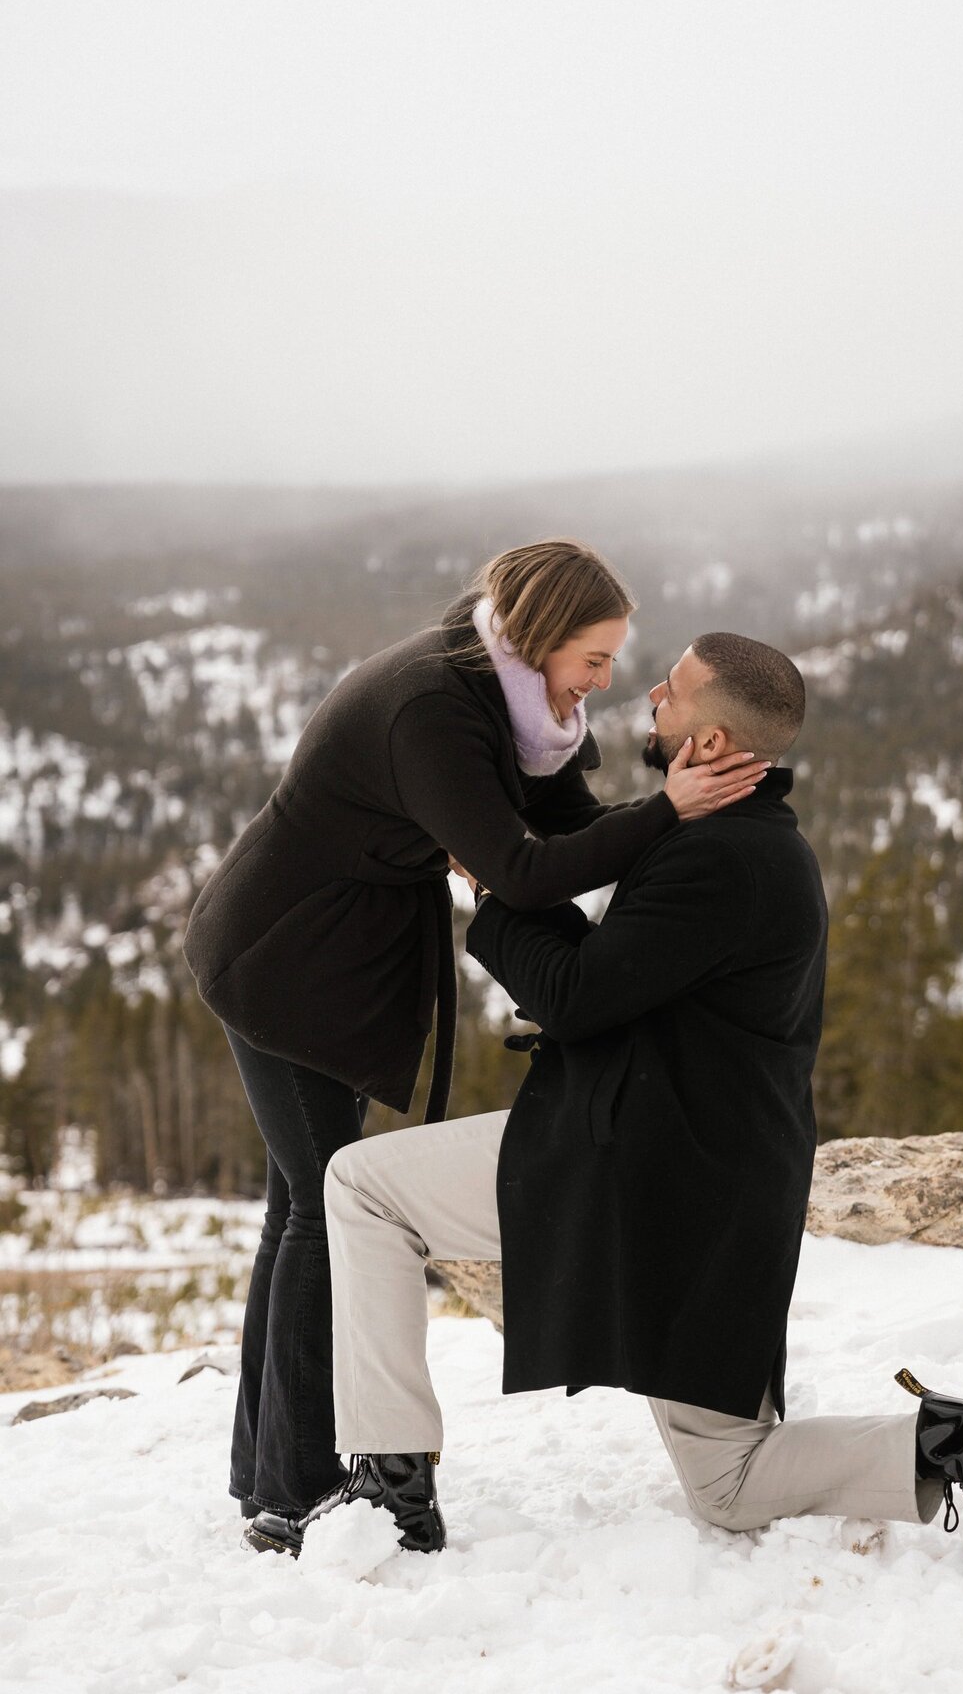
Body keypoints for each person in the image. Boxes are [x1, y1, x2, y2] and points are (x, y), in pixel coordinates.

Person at [299, 630, 963, 1558]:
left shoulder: (722, 864)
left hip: (646, 1169)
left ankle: (391, 1489)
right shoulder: (749, 843)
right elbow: (614, 953)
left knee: (361, 1187)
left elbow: (580, 997)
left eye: (670, 690)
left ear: (708, 745)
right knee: (731, 1482)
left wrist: (496, 903)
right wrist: (518, 857)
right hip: (722, 1181)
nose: (649, 696)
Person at [181, 542, 769, 1552]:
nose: (605, 679)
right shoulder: (435, 711)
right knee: (324, 1208)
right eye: (594, 657)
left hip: (330, 958)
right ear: (539, 640)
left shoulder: (524, 711)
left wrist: (683, 815)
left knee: (301, 1204)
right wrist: (664, 812)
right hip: (281, 960)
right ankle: (292, 1493)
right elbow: (523, 872)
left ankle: (266, 1475)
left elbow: (572, 823)